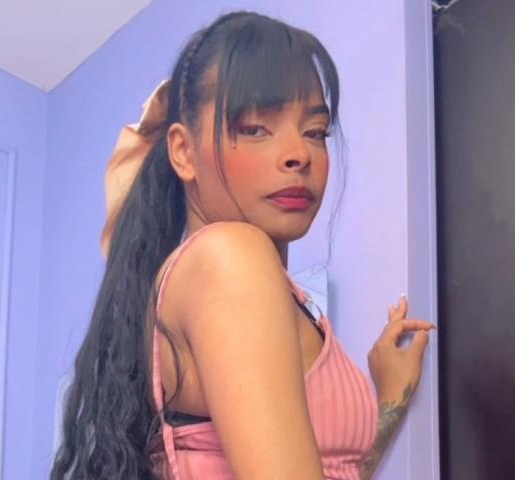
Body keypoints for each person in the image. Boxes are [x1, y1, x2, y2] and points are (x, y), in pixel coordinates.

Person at [50, 10, 435, 480]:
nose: (299, 154)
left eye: (315, 132)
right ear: (183, 152)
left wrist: (389, 399)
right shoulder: (230, 255)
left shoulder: (261, 286)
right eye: (254, 128)